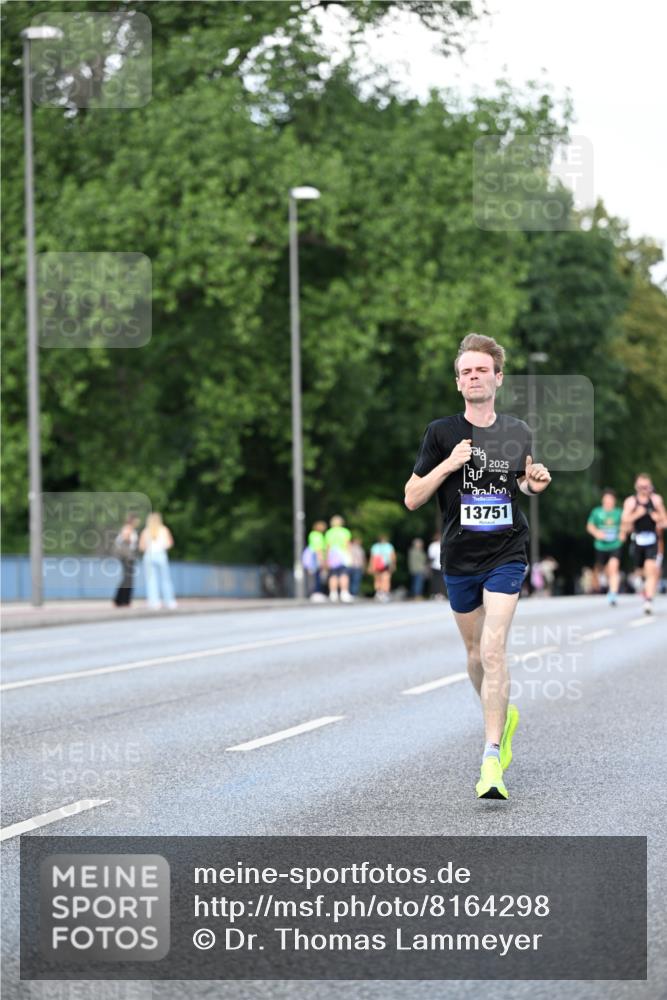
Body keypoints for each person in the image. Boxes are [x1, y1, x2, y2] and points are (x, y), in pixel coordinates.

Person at [404, 333, 551, 801]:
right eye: (466, 371)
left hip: (506, 552)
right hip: (459, 559)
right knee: (473, 657)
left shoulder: (517, 432)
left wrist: (534, 484)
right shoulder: (440, 434)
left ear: (497, 377)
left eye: (481, 370)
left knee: (493, 651)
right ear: (458, 382)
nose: (474, 377)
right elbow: (411, 498)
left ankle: (491, 758)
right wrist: (448, 465)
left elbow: (520, 491)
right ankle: (500, 715)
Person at [620, 473, 666, 615]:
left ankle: (648, 601)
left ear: (650, 486)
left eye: (646, 487)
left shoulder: (656, 500)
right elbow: (624, 520)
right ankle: (642, 584)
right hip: (637, 540)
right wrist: (637, 514)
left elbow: (665, 521)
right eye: (641, 487)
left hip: (652, 540)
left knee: (650, 569)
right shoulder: (631, 502)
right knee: (640, 572)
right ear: (636, 487)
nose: (644, 490)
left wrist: (657, 517)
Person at [586, 489, 622, 605]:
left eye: (611, 499)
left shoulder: (618, 513)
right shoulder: (597, 512)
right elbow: (590, 526)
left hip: (615, 545)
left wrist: (623, 533)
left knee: (614, 567)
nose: (608, 502)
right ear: (603, 500)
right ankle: (606, 582)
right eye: (606, 499)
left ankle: (613, 594)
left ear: (614, 501)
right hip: (600, 546)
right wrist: (597, 533)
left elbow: (625, 525)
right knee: (604, 569)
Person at [139, 512, 177, 610]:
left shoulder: (146, 531)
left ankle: (154, 602)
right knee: (166, 579)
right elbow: (170, 543)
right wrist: (161, 547)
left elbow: (141, 547)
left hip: (149, 556)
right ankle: (170, 601)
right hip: (161, 555)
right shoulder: (164, 530)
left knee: (151, 581)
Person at [324, 515, 353, 603]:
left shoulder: (329, 532)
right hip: (343, 555)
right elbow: (348, 545)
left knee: (333, 575)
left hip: (333, 555)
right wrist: (350, 556)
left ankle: (333, 593)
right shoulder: (345, 531)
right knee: (344, 574)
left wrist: (327, 559)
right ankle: (344, 593)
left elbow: (328, 546)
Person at [112, 514, 140, 607]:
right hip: (127, 557)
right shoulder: (128, 528)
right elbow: (126, 539)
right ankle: (122, 600)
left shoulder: (129, 528)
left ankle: (122, 600)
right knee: (128, 579)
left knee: (128, 579)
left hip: (129, 557)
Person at [304, 520, 327, 601]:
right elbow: (318, 549)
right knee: (316, 576)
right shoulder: (317, 535)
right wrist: (322, 560)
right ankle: (316, 592)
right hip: (315, 557)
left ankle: (316, 592)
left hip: (314, 557)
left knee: (315, 576)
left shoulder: (313, 534)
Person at [369, 534, 396, 601]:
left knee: (385, 579)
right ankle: (379, 592)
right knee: (379, 579)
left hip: (385, 564)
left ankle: (384, 592)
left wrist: (393, 564)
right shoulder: (376, 546)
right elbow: (372, 557)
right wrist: (371, 566)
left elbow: (392, 556)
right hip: (378, 564)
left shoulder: (388, 546)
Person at [427, 532, 445, 599]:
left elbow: (431, 556)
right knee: (439, 580)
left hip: (438, 565)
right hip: (439, 565)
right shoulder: (441, 544)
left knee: (438, 580)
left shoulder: (433, 545)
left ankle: (438, 593)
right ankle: (439, 594)